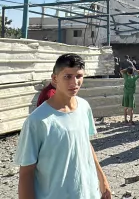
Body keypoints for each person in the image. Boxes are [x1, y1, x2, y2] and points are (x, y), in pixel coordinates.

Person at [14, 54, 111, 199]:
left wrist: (103, 180)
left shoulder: (84, 107)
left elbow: (85, 144)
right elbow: (26, 173)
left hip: (88, 193)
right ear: (55, 79)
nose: (74, 82)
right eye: (67, 76)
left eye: (79, 76)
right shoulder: (37, 121)